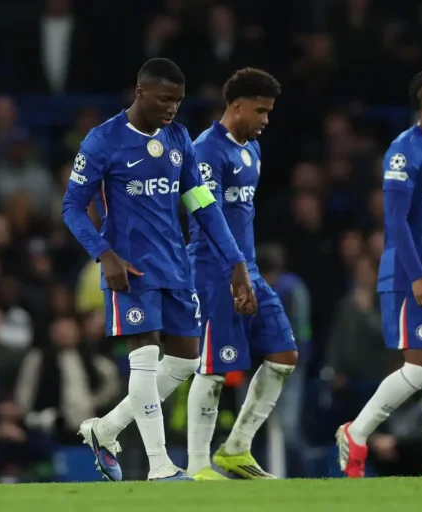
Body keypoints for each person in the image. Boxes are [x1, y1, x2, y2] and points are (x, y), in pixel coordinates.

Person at [61, 58, 257, 482]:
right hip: (129, 270)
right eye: (165, 99)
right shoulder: (103, 141)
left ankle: (106, 429)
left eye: (179, 101)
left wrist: (236, 262)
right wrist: (103, 253)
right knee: (146, 358)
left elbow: (202, 204)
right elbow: (72, 207)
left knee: (185, 363)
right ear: (141, 93)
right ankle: (160, 466)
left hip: (175, 266)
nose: (172, 108)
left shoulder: (179, 138)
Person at [335, 69, 422, 478]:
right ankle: (355, 432)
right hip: (412, 276)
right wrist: (416, 276)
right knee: (420, 368)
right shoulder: (404, 151)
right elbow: (395, 221)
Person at [184, 68, 298, 480]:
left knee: (284, 356)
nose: (266, 120)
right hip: (214, 269)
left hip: (245, 268)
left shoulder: (252, 151)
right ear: (235, 106)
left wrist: (244, 270)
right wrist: (234, 271)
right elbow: (206, 214)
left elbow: (240, 215)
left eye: (269, 111)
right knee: (213, 367)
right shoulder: (203, 152)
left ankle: (236, 448)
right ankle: (198, 465)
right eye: (260, 110)